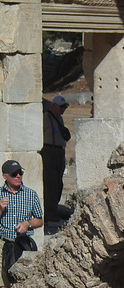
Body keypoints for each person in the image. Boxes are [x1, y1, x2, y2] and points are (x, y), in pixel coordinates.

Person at [0, 160, 43, 287]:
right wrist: (1, 209)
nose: (18, 176)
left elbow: (39, 220)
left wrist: (27, 224)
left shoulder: (31, 195)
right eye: (14, 174)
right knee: (3, 284)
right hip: (3, 243)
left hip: (23, 245)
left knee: (24, 283)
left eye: (20, 172)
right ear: (5, 176)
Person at [41, 95, 70, 225]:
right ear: (53, 106)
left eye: (64, 107)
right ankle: (50, 214)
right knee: (50, 184)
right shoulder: (46, 118)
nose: (62, 109)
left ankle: (53, 210)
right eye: (61, 106)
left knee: (58, 184)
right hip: (49, 150)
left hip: (59, 151)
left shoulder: (60, 119)